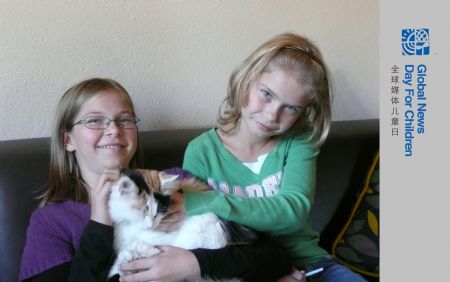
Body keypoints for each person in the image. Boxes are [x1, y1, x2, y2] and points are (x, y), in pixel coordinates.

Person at [124, 32, 367, 282]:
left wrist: (211, 201)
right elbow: (199, 236)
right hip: (242, 270)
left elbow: (292, 212)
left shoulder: (299, 142)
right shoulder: (201, 151)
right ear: (246, 82)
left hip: (312, 265)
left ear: (304, 112)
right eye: (266, 94)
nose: (273, 114)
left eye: (291, 108)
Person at [19, 77, 292, 282]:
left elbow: (273, 256)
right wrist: (100, 224)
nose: (114, 130)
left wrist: (194, 263)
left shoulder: (175, 183)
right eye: (94, 121)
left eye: (124, 120)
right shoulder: (51, 222)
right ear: (68, 140)